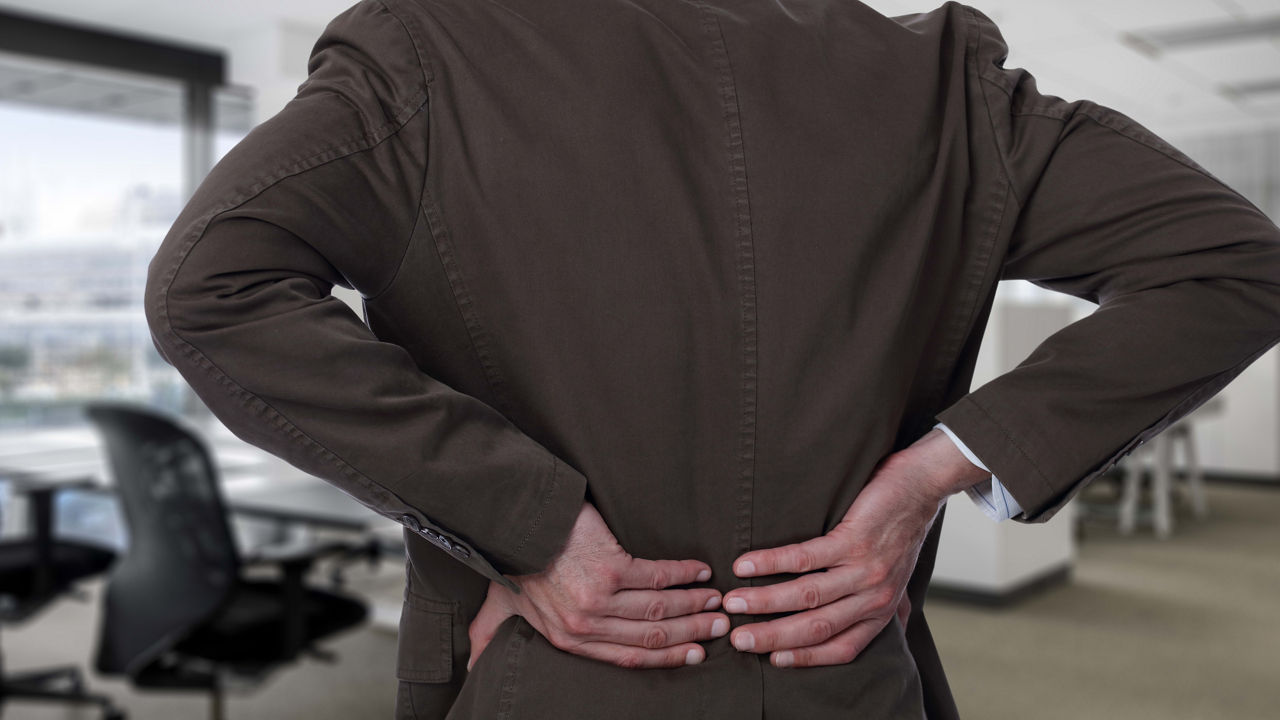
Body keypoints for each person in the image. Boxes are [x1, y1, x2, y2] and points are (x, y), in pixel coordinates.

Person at [142, 0, 1280, 717]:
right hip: (841, 679)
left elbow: (209, 285)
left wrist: (528, 524)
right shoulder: (939, 84)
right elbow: (1237, 265)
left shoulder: (426, 57)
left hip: (555, 675)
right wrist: (939, 470)